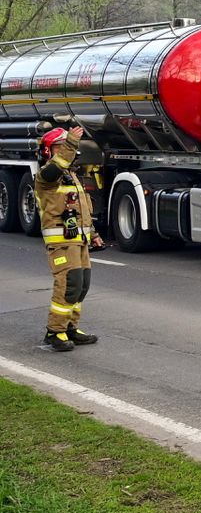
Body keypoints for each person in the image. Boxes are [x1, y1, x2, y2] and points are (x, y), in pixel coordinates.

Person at [35, 126, 103, 352]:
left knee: (81, 285)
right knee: (68, 284)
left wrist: (93, 234)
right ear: (48, 152)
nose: (65, 150)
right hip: (62, 243)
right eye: (59, 147)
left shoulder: (71, 176)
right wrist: (72, 142)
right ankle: (54, 332)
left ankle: (70, 327)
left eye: (67, 146)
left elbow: (80, 209)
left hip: (79, 240)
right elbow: (58, 165)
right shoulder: (47, 176)